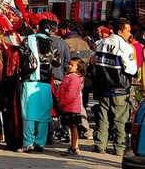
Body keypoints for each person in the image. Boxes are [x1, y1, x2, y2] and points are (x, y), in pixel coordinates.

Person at [93, 19, 138, 155]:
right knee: (120, 121)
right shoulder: (124, 47)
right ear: (120, 31)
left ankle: (100, 146)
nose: (129, 34)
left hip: (103, 88)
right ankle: (119, 148)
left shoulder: (100, 44)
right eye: (128, 31)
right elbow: (131, 70)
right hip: (119, 89)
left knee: (103, 119)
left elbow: (94, 62)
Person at [17, 19, 61, 153]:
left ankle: (28, 143)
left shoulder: (27, 41)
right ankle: (40, 143)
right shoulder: (51, 44)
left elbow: (20, 56)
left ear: (38, 27)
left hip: (29, 81)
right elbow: (57, 62)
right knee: (43, 115)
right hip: (45, 83)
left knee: (28, 114)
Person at [58, 19, 93, 140]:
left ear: (66, 30)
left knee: (68, 103)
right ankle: (84, 128)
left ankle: (66, 130)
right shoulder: (84, 43)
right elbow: (89, 60)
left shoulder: (64, 43)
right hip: (82, 76)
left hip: (68, 78)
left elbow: (62, 62)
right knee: (79, 102)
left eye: (60, 29)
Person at [57, 57, 87, 156]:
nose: (69, 66)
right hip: (68, 106)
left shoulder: (74, 79)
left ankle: (74, 147)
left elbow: (71, 94)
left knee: (73, 127)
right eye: (69, 64)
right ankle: (74, 146)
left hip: (71, 106)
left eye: (72, 65)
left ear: (78, 68)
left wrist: (62, 102)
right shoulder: (69, 76)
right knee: (72, 126)